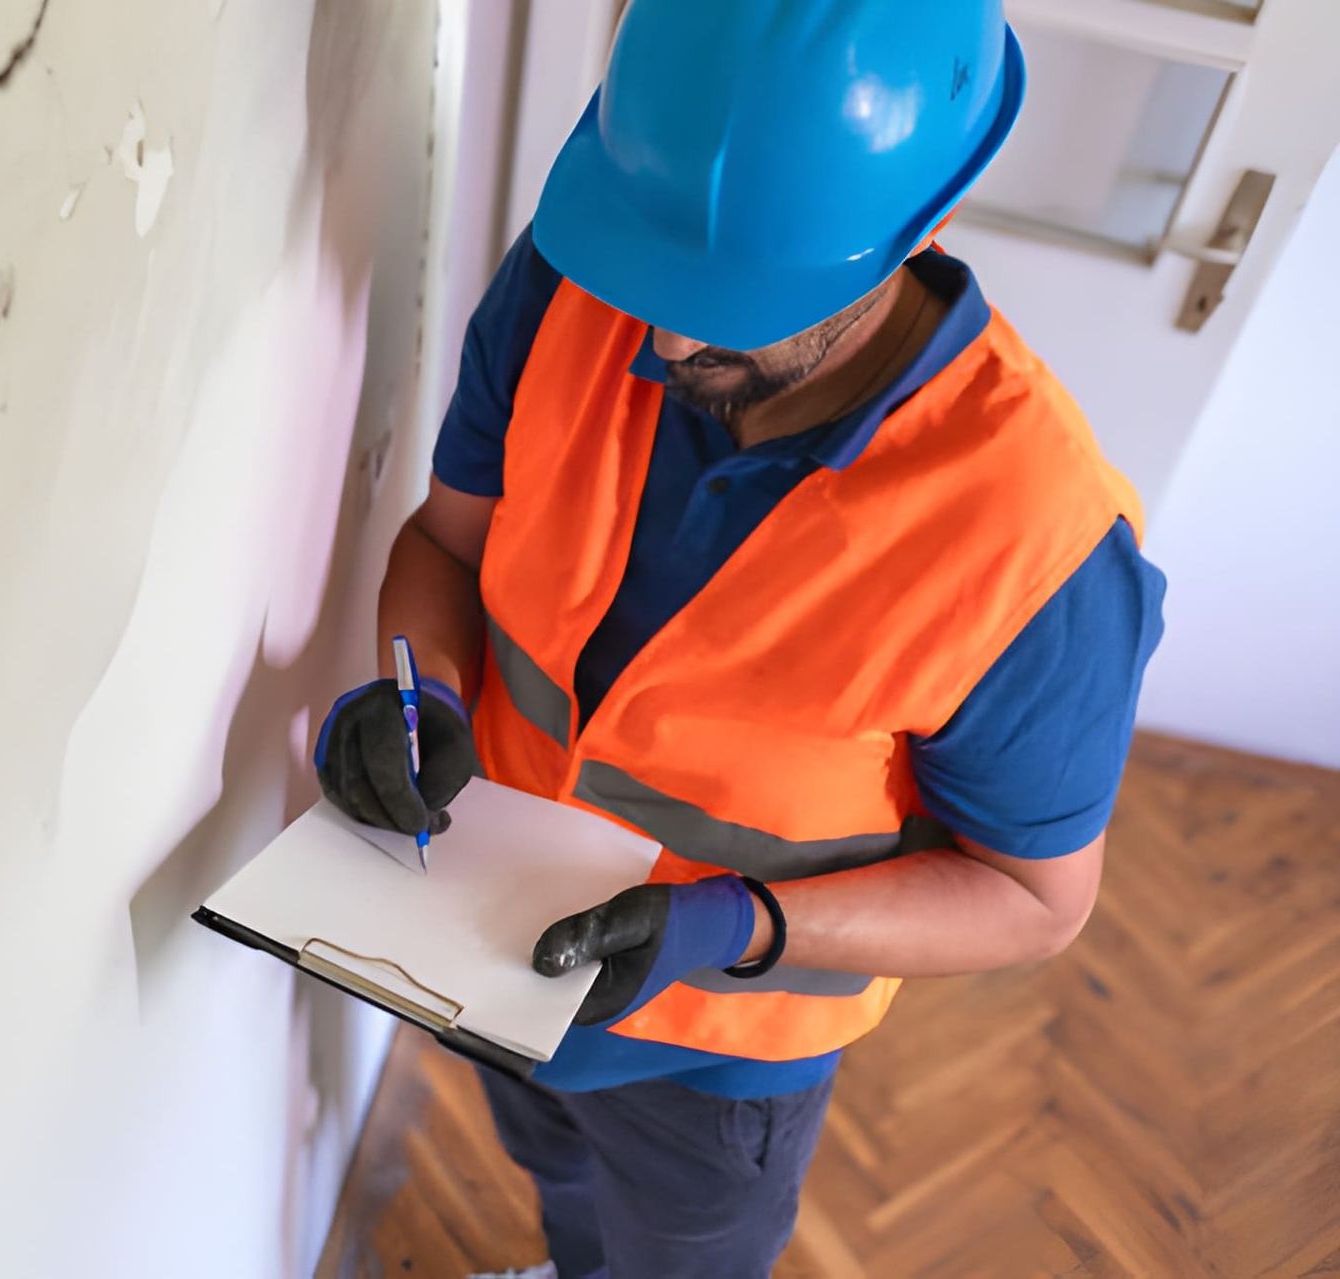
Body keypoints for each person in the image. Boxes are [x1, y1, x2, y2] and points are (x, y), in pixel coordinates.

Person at [314, 1, 1166, 1275]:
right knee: (555, 1178)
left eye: (731, 306)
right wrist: (416, 696)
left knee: (683, 1256)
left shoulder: (1035, 547)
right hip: (481, 945)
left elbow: (1032, 900)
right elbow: (445, 547)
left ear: (914, 229)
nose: (661, 338)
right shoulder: (580, 276)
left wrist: (731, 928)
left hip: (718, 1057)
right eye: (656, 283)